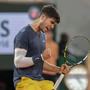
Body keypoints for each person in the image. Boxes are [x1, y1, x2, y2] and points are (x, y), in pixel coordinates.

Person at [13, 5, 69, 90]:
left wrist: (58, 70)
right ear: (43, 17)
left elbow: (39, 62)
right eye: (52, 22)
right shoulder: (24, 34)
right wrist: (41, 56)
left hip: (39, 82)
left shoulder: (43, 36)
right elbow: (18, 62)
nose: (52, 27)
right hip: (24, 81)